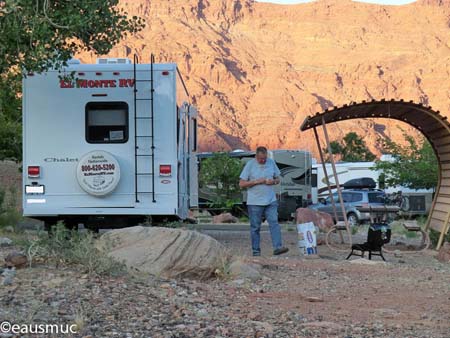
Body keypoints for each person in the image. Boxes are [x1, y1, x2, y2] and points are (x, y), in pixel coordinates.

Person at [239, 146, 289, 256]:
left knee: (274, 223)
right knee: (255, 227)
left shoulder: (271, 163)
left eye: (264, 158)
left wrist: (273, 182)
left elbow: (278, 179)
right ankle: (256, 251)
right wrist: (257, 181)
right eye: (261, 159)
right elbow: (241, 184)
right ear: (256, 156)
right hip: (254, 202)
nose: (263, 161)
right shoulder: (250, 165)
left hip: (270, 200)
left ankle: (278, 247)